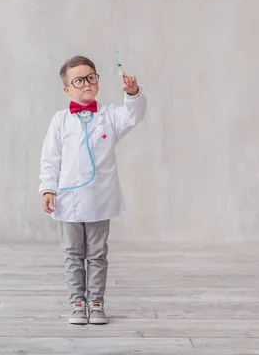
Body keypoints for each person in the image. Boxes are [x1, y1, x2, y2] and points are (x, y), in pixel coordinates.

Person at [38, 55, 147, 324]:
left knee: (98, 254)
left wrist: (132, 94)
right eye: (78, 80)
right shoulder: (60, 120)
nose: (86, 83)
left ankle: (96, 302)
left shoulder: (110, 116)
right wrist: (48, 189)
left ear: (97, 81)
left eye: (90, 77)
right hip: (68, 200)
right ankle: (77, 302)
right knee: (73, 254)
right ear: (67, 89)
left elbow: (133, 116)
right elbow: (50, 158)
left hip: (100, 198)